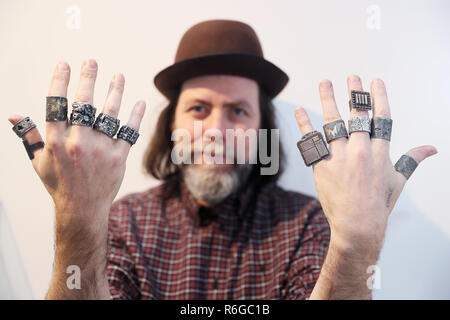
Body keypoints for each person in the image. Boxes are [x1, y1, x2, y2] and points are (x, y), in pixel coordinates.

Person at [8, 19, 437, 300]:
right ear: (171, 126)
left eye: (238, 110)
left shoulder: (309, 221)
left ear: (261, 130)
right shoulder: (124, 222)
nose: (216, 130)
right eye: (198, 109)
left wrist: (356, 243)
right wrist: (77, 217)